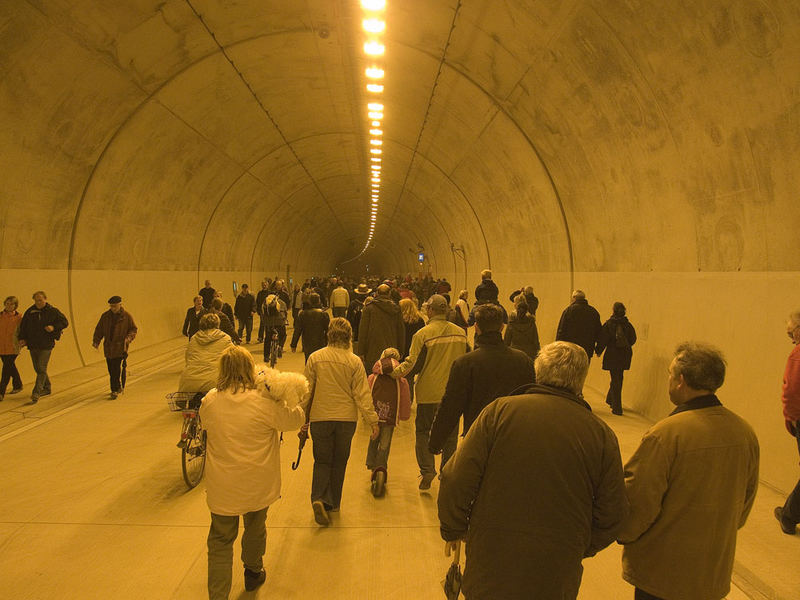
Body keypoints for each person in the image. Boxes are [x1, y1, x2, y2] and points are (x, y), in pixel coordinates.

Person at [438, 341, 628, 600]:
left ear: (538, 372)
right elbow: (613, 511)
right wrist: (578, 544)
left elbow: (455, 477)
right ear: (581, 380)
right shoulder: (600, 434)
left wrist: (455, 528)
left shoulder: (498, 413)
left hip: (492, 559)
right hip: (557, 569)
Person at [618, 342, 759, 600]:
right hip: (712, 572)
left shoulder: (666, 434)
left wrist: (622, 532)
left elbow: (638, 500)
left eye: (670, 375)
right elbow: (745, 501)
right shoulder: (744, 432)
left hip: (662, 574)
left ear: (681, 381)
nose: (669, 381)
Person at [201, 345, 306, 600]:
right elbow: (295, 420)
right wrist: (281, 397)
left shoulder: (210, 400)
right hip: (257, 482)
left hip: (223, 485)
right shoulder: (263, 402)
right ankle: (252, 570)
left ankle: (218, 595)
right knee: (255, 527)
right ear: (250, 369)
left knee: (220, 541)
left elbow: (205, 424)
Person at [302, 318, 379, 526]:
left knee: (322, 460)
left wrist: (301, 418)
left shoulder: (315, 358)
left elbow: (306, 392)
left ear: (328, 334)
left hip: (320, 418)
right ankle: (333, 503)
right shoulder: (354, 361)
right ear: (349, 336)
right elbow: (362, 394)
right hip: (346, 420)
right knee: (339, 462)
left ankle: (318, 498)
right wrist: (373, 421)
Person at [430, 303, 535, 453]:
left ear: (477, 327)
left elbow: (451, 405)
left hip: (476, 436)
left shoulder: (465, 363)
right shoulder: (523, 360)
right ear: (502, 328)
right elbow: (531, 401)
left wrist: (436, 442)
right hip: (513, 436)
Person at [392, 294, 468, 489]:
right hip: (454, 392)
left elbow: (413, 364)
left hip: (429, 393)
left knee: (424, 431)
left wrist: (393, 373)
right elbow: (467, 360)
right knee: (450, 434)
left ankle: (427, 470)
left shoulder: (423, 334)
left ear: (431, 311)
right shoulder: (460, 333)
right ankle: (447, 471)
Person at [365, 348, 411, 496]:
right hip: (390, 419)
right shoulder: (401, 381)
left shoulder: (372, 378)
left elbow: (365, 395)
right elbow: (405, 400)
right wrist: (404, 415)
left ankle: (371, 463)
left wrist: (365, 414)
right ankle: (381, 467)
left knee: (374, 437)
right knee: (385, 443)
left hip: (374, 416)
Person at [17, 291, 69, 403]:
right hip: (33, 344)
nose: (38, 302)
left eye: (40, 300)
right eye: (36, 300)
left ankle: (36, 392)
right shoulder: (30, 312)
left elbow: (64, 322)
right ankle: (47, 387)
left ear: (45, 299)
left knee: (41, 367)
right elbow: (23, 326)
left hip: (46, 344)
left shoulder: (53, 311)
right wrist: (22, 338)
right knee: (38, 368)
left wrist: (54, 327)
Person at [775, 310, 800, 535]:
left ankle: (789, 514)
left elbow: (791, 392)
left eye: (790, 333)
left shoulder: (797, 355)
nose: (791, 338)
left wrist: (791, 419)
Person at [92, 295, 138, 399]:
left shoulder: (126, 317)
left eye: (115, 306)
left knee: (116, 369)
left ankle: (114, 390)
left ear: (120, 305)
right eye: (111, 306)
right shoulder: (105, 317)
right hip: (108, 348)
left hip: (120, 347)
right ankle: (117, 386)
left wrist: (128, 339)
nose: (113, 308)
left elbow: (133, 329)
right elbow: (99, 329)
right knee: (111, 369)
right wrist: (96, 341)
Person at [594, 302, 637, 415]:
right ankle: (611, 399)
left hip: (613, 354)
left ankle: (617, 407)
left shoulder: (609, 324)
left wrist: (598, 350)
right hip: (625, 354)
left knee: (615, 378)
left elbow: (603, 339)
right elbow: (633, 339)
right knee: (619, 377)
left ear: (613, 311)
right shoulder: (628, 325)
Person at [178, 314, 234, 394]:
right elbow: (235, 359)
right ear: (218, 324)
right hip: (215, 383)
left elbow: (187, 359)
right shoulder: (225, 338)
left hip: (188, 382)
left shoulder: (194, 338)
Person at [358, 284, 405, 373]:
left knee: (373, 381)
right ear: (389, 293)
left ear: (376, 294)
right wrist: (401, 350)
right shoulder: (396, 309)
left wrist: (361, 352)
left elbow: (363, 332)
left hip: (372, 352)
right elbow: (401, 331)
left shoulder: (369, 308)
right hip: (392, 352)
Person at [556, 289, 601, 361]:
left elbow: (562, 330)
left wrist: (558, 347)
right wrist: (599, 349)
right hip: (587, 349)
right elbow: (599, 332)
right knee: (583, 370)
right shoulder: (593, 312)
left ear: (574, 298)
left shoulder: (568, 311)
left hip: (571, 348)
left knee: (572, 369)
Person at [290, 293, 330, 362]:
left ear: (310, 301)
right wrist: (329, 342)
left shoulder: (302, 314)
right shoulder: (324, 314)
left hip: (307, 342)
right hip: (320, 342)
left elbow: (297, 330)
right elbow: (328, 330)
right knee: (320, 361)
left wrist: (294, 344)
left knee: (309, 361)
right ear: (319, 301)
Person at [0, 296, 23, 401]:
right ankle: (18, 384)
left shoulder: (19, 318)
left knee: (6, 369)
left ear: (15, 305)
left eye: (11, 304)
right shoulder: (0, 316)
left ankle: (1, 392)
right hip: (1, 346)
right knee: (10, 366)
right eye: (7, 303)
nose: (9, 306)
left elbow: (23, 331)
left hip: (13, 347)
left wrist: (23, 341)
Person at [503, 296, 540, 360]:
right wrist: (538, 353)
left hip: (514, 353)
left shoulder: (512, 322)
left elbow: (507, 340)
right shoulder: (531, 322)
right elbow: (535, 340)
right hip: (530, 354)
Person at [261, 294, 288, 361]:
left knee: (267, 339)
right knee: (283, 335)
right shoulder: (281, 302)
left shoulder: (265, 302)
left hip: (269, 324)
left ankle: (266, 356)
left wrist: (265, 322)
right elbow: (285, 313)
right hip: (279, 323)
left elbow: (262, 313)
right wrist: (284, 320)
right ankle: (280, 347)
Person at [346, 283, 370, 351]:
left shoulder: (353, 303)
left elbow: (348, 317)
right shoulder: (370, 303)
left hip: (355, 330)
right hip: (368, 330)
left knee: (357, 348)